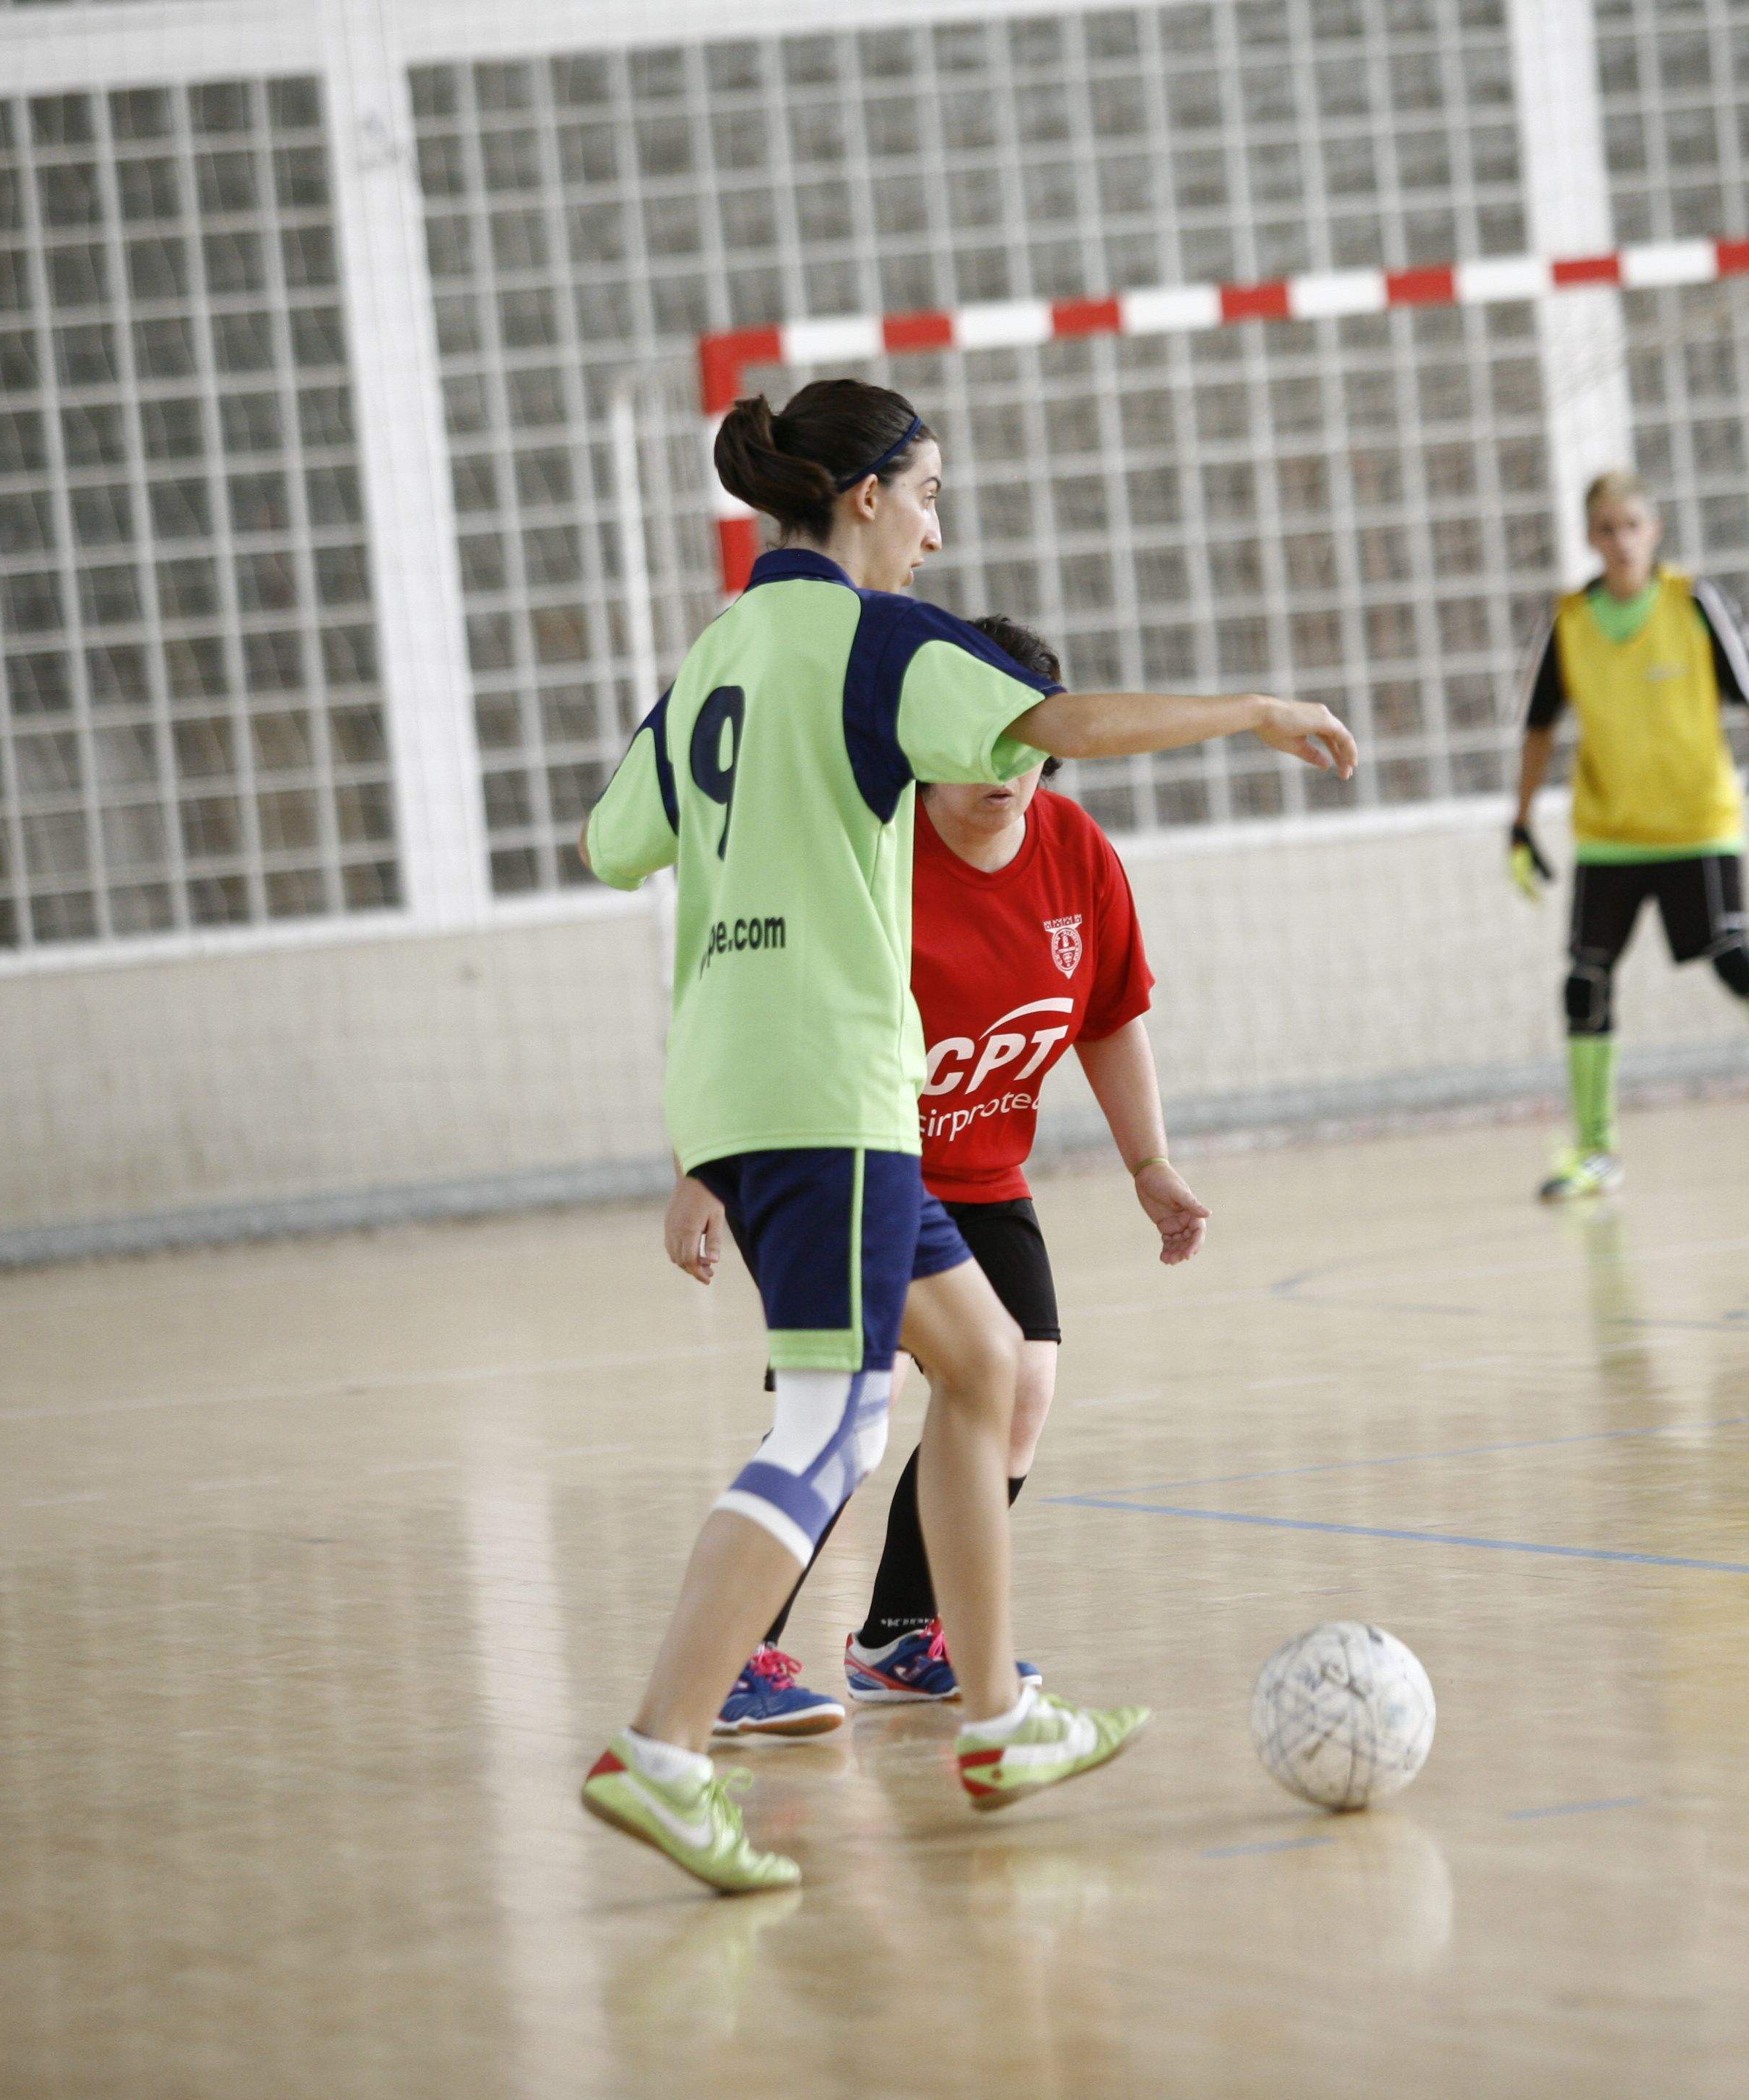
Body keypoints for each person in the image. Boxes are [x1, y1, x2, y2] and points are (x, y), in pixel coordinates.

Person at [575, 377, 1356, 1893]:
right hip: (828, 1084)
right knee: (831, 1426)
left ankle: (995, 1720)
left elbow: (616, 842)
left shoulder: (717, 653)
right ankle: (662, 1749)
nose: (935, 532)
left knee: (988, 1363)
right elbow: (1058, 725)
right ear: (865, 495)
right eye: (927, 494)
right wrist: (1252, 710)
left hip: (746, 1085)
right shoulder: (874, 639)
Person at [705, 616, 1207, 1740]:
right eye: (978, 738)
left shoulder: (1075, 853)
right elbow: (760, 1003)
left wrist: (1150, 1164)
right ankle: (735, 1658)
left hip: (981, 1176)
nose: (1004, 767)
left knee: (1021, 1385)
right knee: (851, 1411)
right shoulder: (866, 849)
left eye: (1026, 741)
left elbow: (1110, 1015)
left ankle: (898, 1637)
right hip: (852, 1161)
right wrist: (705, 1164)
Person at [1507, 469, 1749, 1201]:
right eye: (1606, 529)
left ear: (1655, 530)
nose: (1621, 541)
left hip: (1698, 823)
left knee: (1734, 956)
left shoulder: (1695, 603)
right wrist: (1519, 822)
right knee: (1585, 979)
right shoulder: (1569, 622)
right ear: (1590, 537)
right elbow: (1539, 728)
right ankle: (1595, 1150)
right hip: (1611, 832)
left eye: (1632, 526)